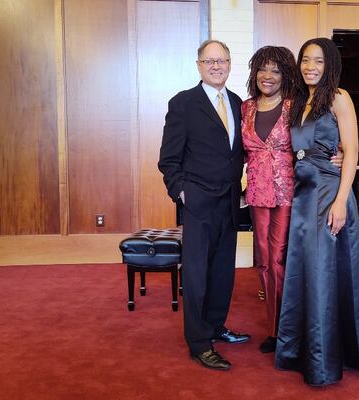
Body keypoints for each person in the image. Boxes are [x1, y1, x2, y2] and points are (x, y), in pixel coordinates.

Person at [274, 38, 359, 386]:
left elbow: (351, 152)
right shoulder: (299, 102)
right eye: (306, 60)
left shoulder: (339, 97)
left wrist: (340, 201)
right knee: (306, 272)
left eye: (318, 61)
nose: (310, 67)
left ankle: (323, 364)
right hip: (303, 195)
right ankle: (304, 350)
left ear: (330, 65)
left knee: (322, 272)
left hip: (328, 193)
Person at [158, 39, 250, 371]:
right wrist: (182, 192)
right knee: (196, 275)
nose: (216, 66)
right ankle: (198, 343)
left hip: (229, 202)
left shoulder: (239, 103)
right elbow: (168, 160)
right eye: (209, 61)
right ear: (199, 65)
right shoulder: (183, 103)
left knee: (223, 272)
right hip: (197, 202)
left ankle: (214, 327)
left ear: (229, 64)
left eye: (222, 60)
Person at [241, 46, 297, 354]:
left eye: (275, 70)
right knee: (263, 262)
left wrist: (339, 153)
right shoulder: (246, 108)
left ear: (285, 75)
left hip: (289, 195)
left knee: (280, 262)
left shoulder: (296, 106)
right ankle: (274, 330)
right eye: (263, 69)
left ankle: (287, 330)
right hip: (257, 195)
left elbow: (319, 138)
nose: (268, 75)